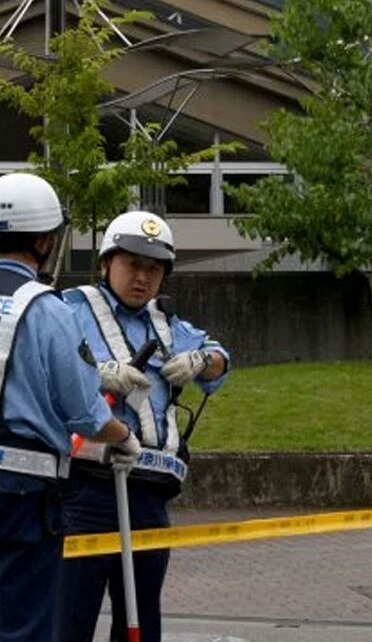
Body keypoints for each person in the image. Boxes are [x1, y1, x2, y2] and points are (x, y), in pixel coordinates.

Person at [0, 172, 140, 642]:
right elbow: (86, 415)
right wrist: (126, 438)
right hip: (23, 497)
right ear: (44, 239)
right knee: (23, 628)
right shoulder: (50, 310)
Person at [56, 211, 229, 642]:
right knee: (70, 615)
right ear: (105, 263)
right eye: (132, 264)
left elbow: (222, 357)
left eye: (154, 269)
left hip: (150, 488)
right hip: (87, 485)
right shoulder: (68, 309)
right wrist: (98, 373)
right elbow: (45, 366)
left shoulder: (167, 323)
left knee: (141, 617)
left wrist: (201, 361)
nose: (142, 277)